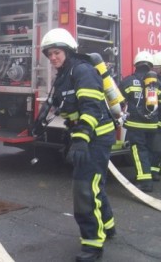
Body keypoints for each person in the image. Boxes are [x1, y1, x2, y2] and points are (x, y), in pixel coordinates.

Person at [40, 28, 117, 262]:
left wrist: (82, 139)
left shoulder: (83, 71)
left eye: (57, 52)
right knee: (93, 184)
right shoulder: (63, 75)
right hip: (83, 135)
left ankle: (93, 244)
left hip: (96, 136)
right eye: (49, 54)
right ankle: (108, 225)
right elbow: (59, 101)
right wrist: (41, 117)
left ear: (68, 51)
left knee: (84, 188)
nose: (53, 58)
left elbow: (91, 107)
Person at [119, 51, 159, 192]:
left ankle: (145, 182)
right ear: (150, 66)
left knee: (138, 151)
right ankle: (145, 175)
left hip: (136, 125)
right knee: (148, 150)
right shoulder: (157, 83)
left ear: (136, 65)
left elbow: (118, 100)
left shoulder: (129, 81)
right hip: (153, 125)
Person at [150, 51, 161, 182]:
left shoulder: (155, 83)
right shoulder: (155, 82)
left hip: (158, 121)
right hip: (158, 121)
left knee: (156, 149)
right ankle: (155, 171)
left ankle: (154, 171)